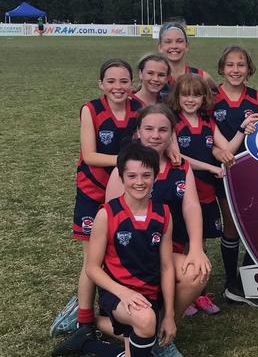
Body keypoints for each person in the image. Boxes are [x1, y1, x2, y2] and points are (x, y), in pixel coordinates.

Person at [105, 105, 212, 357]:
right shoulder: (124, 170)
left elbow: (192, 206)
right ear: (138, 133)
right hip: (130, 259)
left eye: (163, 130)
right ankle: (93, 323)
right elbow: (109, 222)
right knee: (139, 314)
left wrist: (196, 248)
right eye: (149, 129)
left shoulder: (180, 166)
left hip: (166, 253)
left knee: (197, 273)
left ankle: (166, 324)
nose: (156, 135)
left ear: (172, 134)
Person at [53, 143, 176, 357]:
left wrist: (170, 315)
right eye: (132, 176)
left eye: (146, 175)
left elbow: (166, 267)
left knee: (141, 339)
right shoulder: (107, 214)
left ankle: (86, 344)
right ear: (121, 177)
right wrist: (124, 293)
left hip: (148, 293)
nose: (139, 182)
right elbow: (92, 268)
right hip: (117, 293)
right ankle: (90, 337)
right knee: (146, 320)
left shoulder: (163, 213)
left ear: (156, 176)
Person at [50, 59, 143, 338]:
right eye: (111, 81)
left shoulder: (138, 109)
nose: (118, 87)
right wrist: (129, 162)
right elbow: (89, 156)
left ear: (131, 84)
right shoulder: (91, 110)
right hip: (93, 192)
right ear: (101, 84)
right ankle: (84, 319)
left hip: (127, 193)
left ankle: (121, 310)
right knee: (93, 259)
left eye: (124, 81)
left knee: (125, 253)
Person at [167, 73, 258, 315]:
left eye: (196, 95)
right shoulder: (173, 121)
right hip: (182, 193)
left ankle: (198, 294)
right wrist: (210, 166)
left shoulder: (207, 121)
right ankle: (182, 290)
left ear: (204, 98)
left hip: (205, 193)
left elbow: (227, 147)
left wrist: (242, 130)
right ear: (177, 97)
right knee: (182, 244)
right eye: (185, 94)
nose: (190, 99)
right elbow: (177, 157)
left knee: (200, 243)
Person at [211, 45, 258, 306]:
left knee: (255, 225)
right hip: (224, 173)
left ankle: (247, 279)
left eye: (241, 64)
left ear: (249, 69)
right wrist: (215, 150)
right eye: (230, 65)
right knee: (231, 225)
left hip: (254, 173)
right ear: (222, 68)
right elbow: (201, 132)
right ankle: (231, 282)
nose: (235, 70)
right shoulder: (211, 97)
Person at [157, 22, 216, 99]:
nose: (174, 46)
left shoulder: (202, 77)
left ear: (187, 46)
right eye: (168, 41)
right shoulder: (154, 78)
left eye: (179, 41)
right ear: (160, 47)